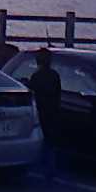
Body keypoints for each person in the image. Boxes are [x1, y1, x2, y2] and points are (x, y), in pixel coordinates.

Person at [29, 47, 62, 181]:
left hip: (40, 111)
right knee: (50, 142)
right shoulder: (54, 75)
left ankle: (39, 165)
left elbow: (32, 95)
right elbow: (58, 95)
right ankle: (50, 169)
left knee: (40, 138)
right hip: (52, 111)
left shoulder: (36, 77)